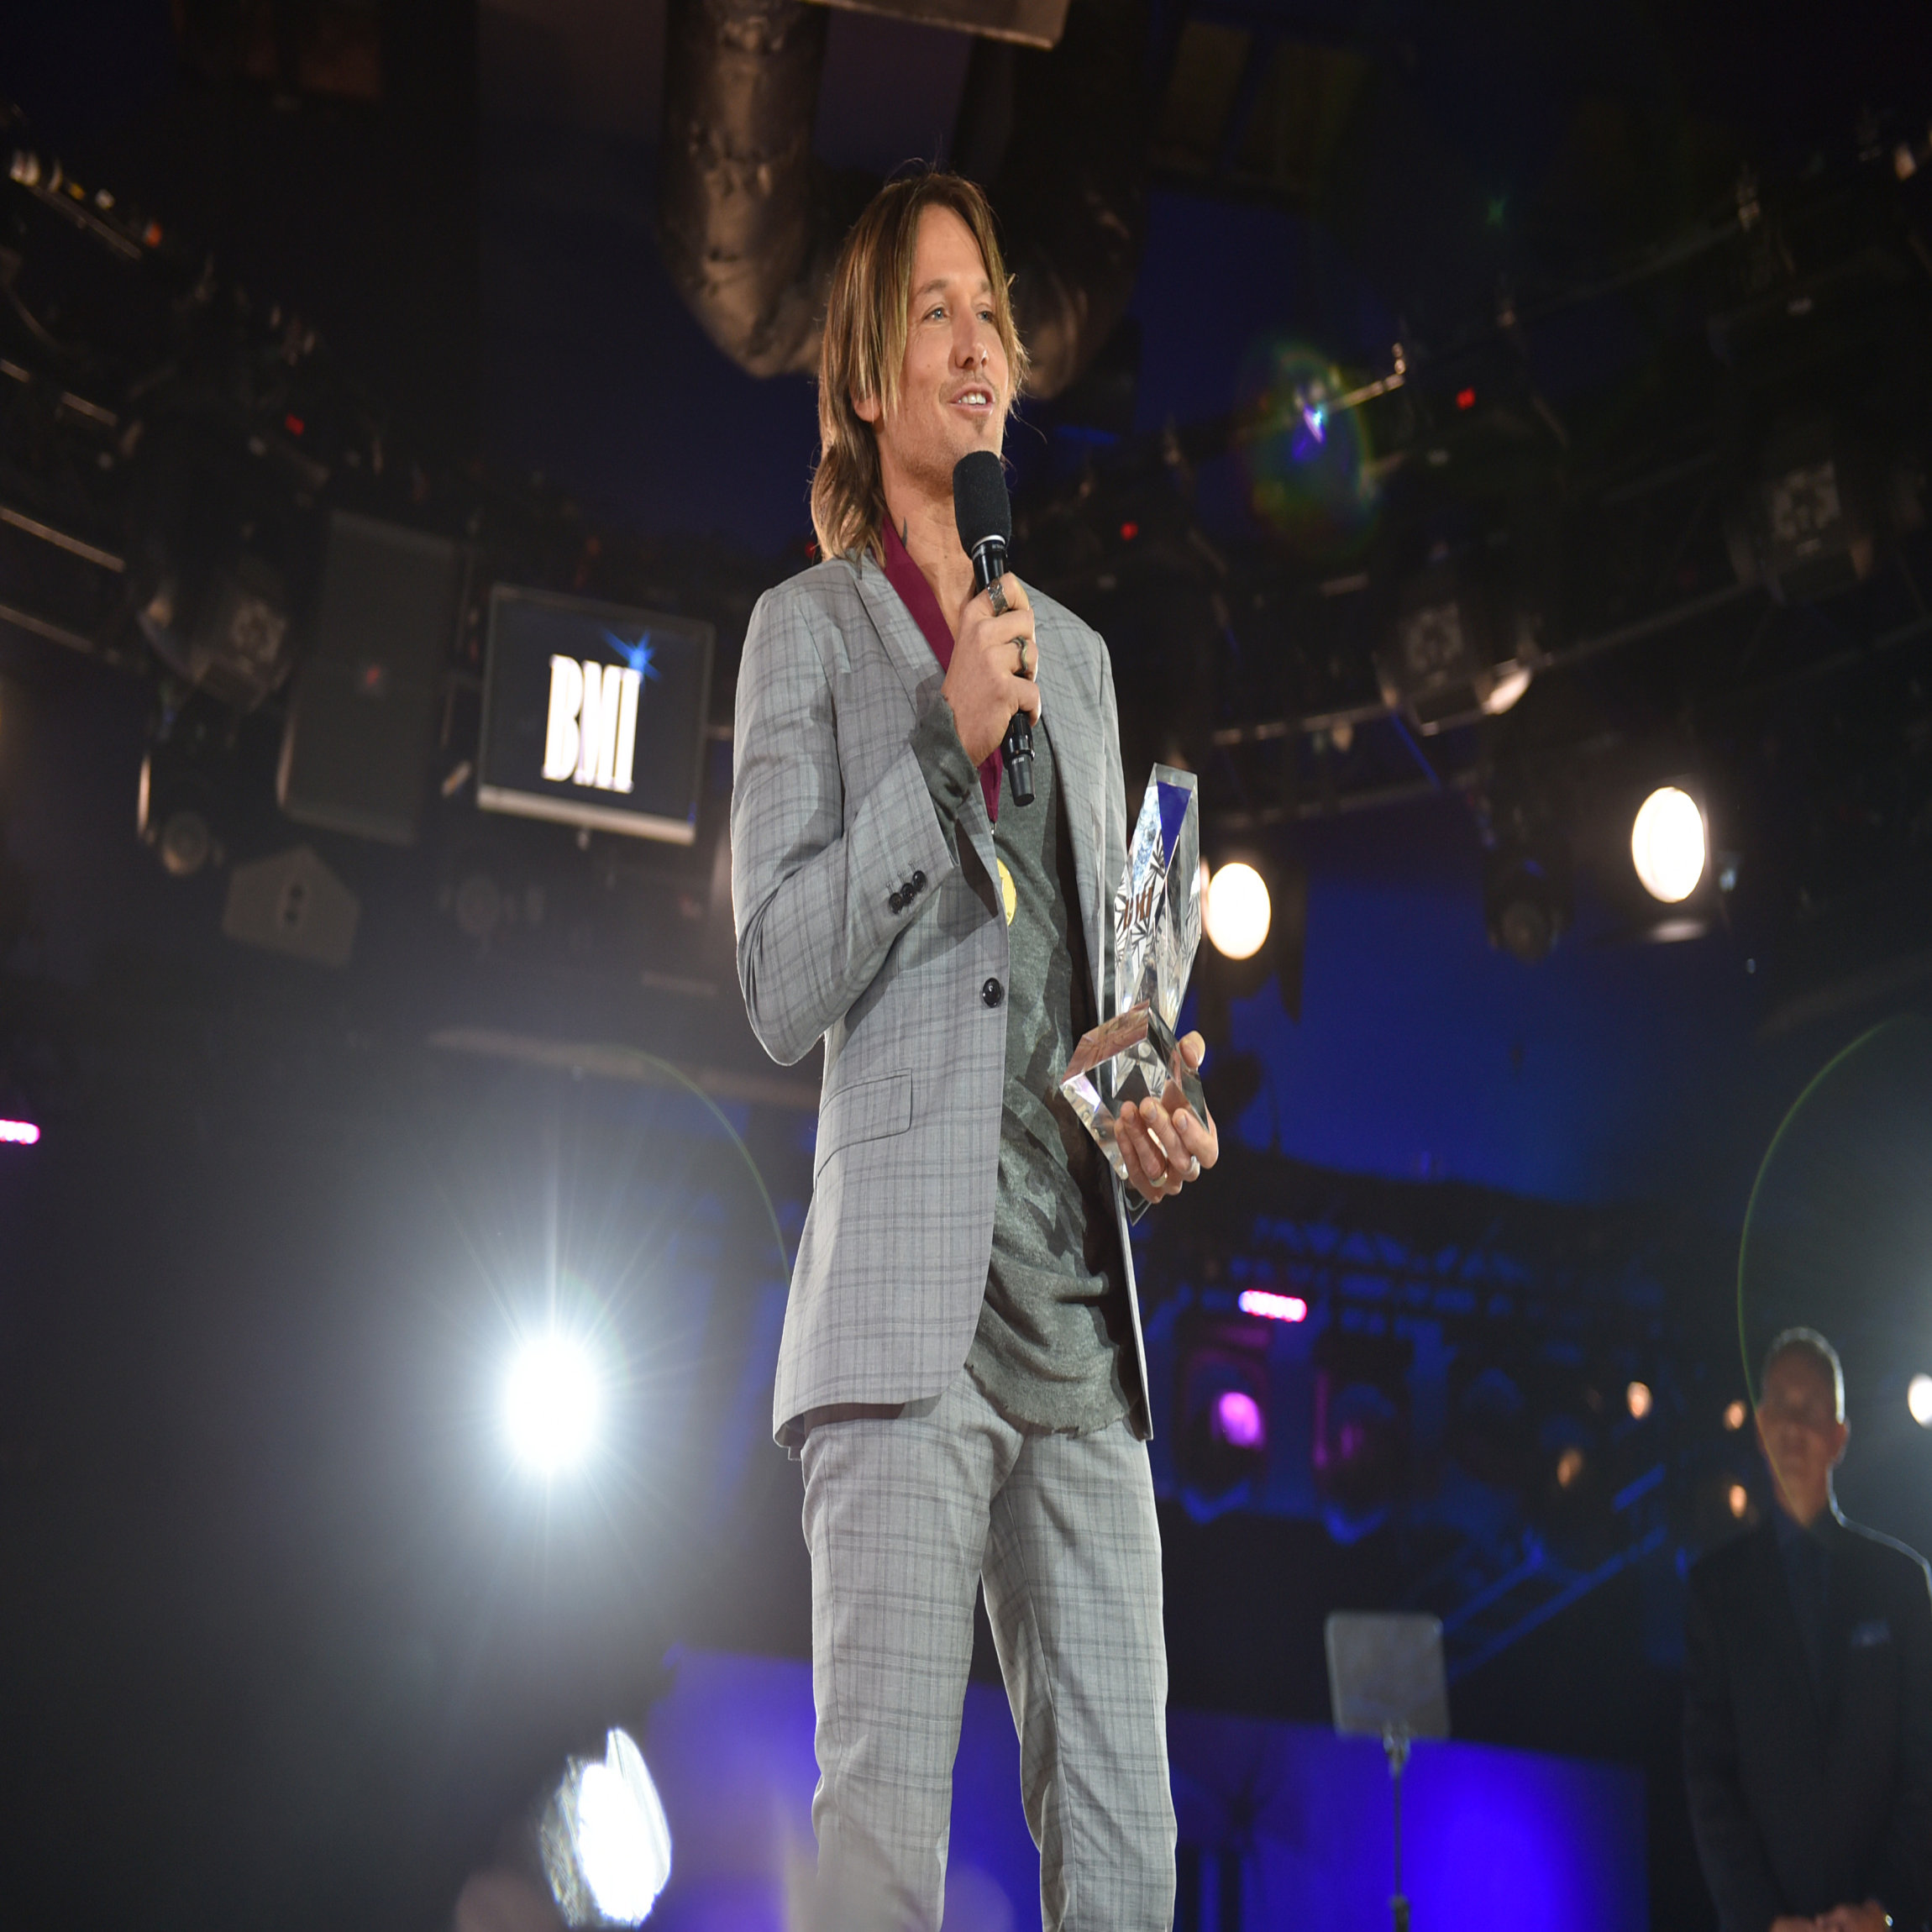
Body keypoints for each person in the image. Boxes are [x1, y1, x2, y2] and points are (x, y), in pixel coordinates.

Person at [729, 171, 1219, 1932]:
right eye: (932, 309)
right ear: (866, 374)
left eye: (990, 309)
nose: (975, 339)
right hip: (902, 1335)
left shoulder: (1074, 664)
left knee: (1127, 1857)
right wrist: (943, 746)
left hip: (1078, 1337)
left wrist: (1149, 1095)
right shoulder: (809, 633)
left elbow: (1098, 988)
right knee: (877, 1861)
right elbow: (780, 980)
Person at [1684, 1327, 1932, 1932]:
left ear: (1840, 1436)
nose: (1793, 1426)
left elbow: (1926, 1763)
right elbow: (1709, 1778)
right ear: (1760, 1425)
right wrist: (1763, 1920)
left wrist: (1885, 1907)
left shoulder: (1900, 1583)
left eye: (1811, 1409)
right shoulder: (1716, 1589)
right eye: (1780, 1407)